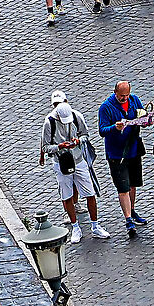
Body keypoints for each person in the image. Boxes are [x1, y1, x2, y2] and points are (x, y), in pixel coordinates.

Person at [39, 92, 110, 240]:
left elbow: (85, 134)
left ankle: (95, 226)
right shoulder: (49, 122)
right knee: (67, 196)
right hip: (61, 163)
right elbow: (46, 147)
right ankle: (75, 227)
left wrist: (78, 141)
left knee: (90, 193)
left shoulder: (76, 116)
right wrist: (59, 146)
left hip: (79, 160)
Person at [98, 81, 151, 236]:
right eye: (122, 96)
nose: (125, 98)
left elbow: (142, 116)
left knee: (133, 184)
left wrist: (146, 121)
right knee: (123, 188)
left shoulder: (134, 100)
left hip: (133, 150)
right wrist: (115, 127)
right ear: (115, 92)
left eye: (127, 95)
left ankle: (132, 211)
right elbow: (102, 130)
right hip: (117, 154)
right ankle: (128, 220)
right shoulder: (106, 107)